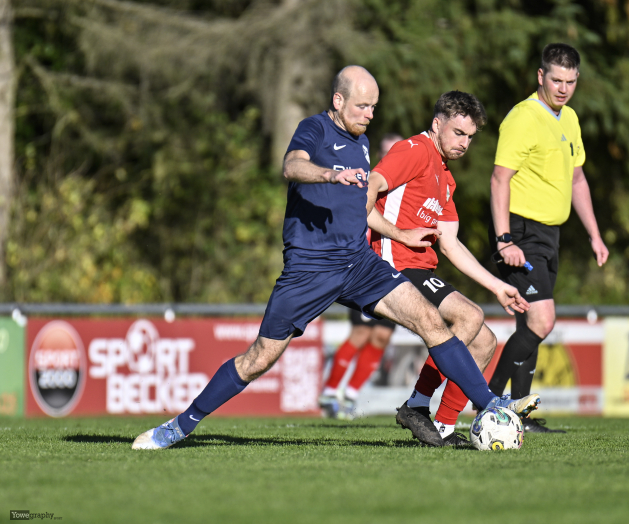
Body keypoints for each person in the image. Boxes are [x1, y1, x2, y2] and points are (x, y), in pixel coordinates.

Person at [132, 66, 540, 450]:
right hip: (310, 270)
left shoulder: (362, 144)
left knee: (431, 320)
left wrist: (399, 234)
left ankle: (487, 403)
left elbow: (364, 210)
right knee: (259, 358)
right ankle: (179, 426)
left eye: (374, 107)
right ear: (338, 100)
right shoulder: (315, 128)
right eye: (362, 106)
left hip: (359, 264)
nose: (369, 114)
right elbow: (291, 166)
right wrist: (328, 174)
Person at [367, 91, 532, 447]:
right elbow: (371, 184)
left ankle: (441, 428)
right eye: (458, 133)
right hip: (391, 264)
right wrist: (392, 233)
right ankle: (417, 404)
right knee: (469, 317)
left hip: (419, 268)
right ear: (437, 124)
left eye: (470, 137)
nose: (465, 143)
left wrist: (497, 287)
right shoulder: (413, 151)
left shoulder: (445, 176)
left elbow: (451, 244)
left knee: (486, 340)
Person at [486, 43, 609, 433]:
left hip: (550, 234)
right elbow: (499, 179)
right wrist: (504, 239)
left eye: (571, 81)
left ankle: (518, 412)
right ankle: (486, 401)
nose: (563, 88)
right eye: (556, 79)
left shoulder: (569, 119)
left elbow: (577, 179)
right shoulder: (523, 118)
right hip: (521, 232)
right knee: (542, 319)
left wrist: (595, 234)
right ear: (540, 76)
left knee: (530, 325)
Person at [318, 134, 402, 420]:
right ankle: (330, 393)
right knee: (361, 332)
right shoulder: (370, 183)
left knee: (380, 337)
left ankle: (350, 395)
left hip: (393, 268)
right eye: (389, 151)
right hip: (364, 268)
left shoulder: (406, 189)